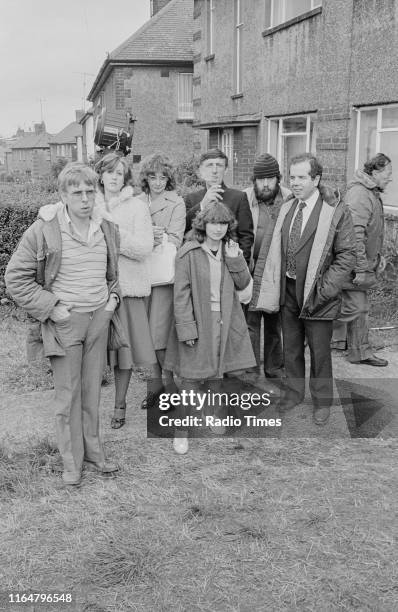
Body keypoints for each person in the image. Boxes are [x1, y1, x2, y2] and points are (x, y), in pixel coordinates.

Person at [5, 162, 121, 486]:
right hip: (66, 322)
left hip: (100, 318)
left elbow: (112, 273)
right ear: (63, 194)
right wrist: (53, 308)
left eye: (90, 191)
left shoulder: (107, 227)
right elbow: (15, 278)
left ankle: (95, 453)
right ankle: (72, 462)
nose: (85, 198)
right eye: (77, 192)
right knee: (68, 395)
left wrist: (112, 301)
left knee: (92, 392)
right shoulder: (44, 229)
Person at [252, 153, 356, 426]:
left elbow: (346, 256)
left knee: (320, 352)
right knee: (292, 347)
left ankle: (322, 402)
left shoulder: (335, 211)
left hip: (319, 294)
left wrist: (324, 290)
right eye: (292, 177)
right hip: (288, 289)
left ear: (316, 179)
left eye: (302, 178)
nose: (295, 183)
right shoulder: (288, 207)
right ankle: (294, 392)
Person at [164, 202, 256, 454]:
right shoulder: (188, 253)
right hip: (198, 320)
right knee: (191, 377)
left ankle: (214, 414)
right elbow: (180, 295)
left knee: (218, 372)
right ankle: (181, 430)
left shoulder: (230, 250)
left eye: (223, 223)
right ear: (204, 224)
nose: (218, 228)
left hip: (225, 320)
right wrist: (187, 329)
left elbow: (244, 285)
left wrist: (236, 259)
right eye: (214, 222)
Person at [95, 152, 155, 428]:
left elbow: (144, 248)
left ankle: (119, 405)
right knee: (92, 351)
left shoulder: (137, 206)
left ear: (126, 178)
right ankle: (87, 406)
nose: (114, 178)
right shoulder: (88, 201)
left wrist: (114, 231)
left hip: (127, 288)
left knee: (123, 353)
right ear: (100, 175)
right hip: (93, 288)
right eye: (109, 172)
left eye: (119, 173)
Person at [333, 153, 392, 366]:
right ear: (375, 173)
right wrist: (360, 268)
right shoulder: (360, 194)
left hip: (361, 262)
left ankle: (343, 343)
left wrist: (378, 256)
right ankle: (359, 352)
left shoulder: (369, 193)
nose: (390, 178)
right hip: (354, 265)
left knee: (355, 305)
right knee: (358, 306)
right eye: (388, 173)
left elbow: (370, 232)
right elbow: (354, 234)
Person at [137, 153, 186, 407]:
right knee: (145, 334)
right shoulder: (136, 201)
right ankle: (155, 385)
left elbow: (177, 239)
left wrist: (155, 238)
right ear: (146, 178)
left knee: (158, 334)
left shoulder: (176, 202)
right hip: (139, 274)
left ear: (169, 179)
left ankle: (169, 385)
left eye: (162, 177)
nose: (157, 182)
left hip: (163, 277)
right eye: (152, 177)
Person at [244, 153, 293, 381]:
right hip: (251, 271)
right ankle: (250, 371)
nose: (265, 184)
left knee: (275, 323)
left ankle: (274, 369)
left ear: (278, 178)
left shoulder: (290, 199)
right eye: (261, 179)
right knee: (250, 324)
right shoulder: (243, 198)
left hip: (277, 272)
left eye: (270, 179)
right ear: (254, 180)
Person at [184, 148, 254, 265]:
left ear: (226, 170)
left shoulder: (239, 197)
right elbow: (184, 229)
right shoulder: (192, 199)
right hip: (198, 265)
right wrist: (202, 204)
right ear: (201, 170)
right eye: (210, 165)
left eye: (219, 165)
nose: (214, 170)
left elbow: (246, 238)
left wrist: (240, 266)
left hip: (227, 264)